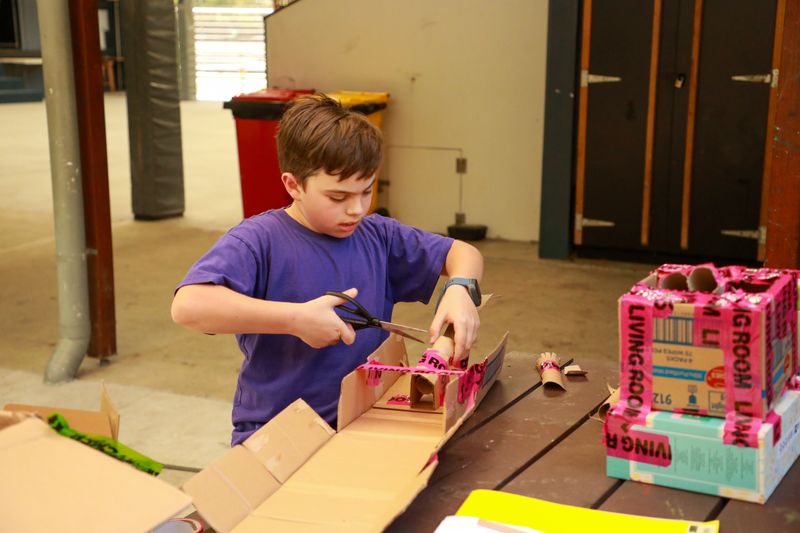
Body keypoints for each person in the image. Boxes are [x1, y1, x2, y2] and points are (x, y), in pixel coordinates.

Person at [171, 94, 483, 445]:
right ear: (293, 185)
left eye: (366, 191)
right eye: (338, 197)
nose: (356, 209)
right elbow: (188, 306)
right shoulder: (258, 241)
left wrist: (460, 289)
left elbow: (463, 253)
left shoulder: (378, 235)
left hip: (366, 421)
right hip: (278, 434)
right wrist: (294, 319)